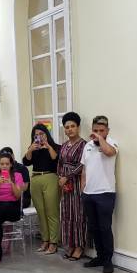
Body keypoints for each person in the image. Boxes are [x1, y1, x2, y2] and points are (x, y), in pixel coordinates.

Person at [81, 115, 118, 273]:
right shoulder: (87, 146)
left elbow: (110, 152)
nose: (97, 133)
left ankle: (108, 260)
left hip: (106, 193)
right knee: (94, 228)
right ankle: (100, 256)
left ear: (107, 131)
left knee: (104, 227)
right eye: (95, 130)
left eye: (101, 131)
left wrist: (100, 139)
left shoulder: (112, 142)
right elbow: (84, 169)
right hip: (89, 194)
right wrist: (83, 189)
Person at [23, 123, 61, 254]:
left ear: (47, 134)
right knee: (41, 212)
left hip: (50, 178)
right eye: (36, 135)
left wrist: (48, 146)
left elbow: (56, 159)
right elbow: (26, 162)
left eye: (41, 134)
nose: (39, 137)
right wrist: (30, 150)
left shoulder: (55, 147)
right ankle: (45, 240)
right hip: (36, 179)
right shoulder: (33, 148)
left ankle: (54, 242)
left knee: (52, 211)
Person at [57, 112, 88, 261]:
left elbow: (82, 165)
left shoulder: (84, 145)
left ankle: (79, 246)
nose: (70, 129)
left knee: (78, 214)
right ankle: (70, 244)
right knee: (66, 214)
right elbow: (60, 163)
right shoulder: (63, 145)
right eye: (67, 127)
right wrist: (60, 178)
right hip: (65, 185)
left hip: (76, 183)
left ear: (78, 127)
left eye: (72, 126)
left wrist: (67, 177)